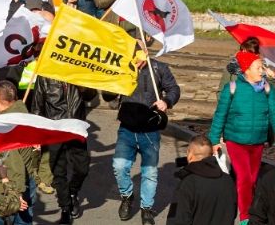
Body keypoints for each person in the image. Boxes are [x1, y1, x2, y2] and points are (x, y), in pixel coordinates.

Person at [113, 48, 181, 225]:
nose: (136, 57)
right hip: (127, 128)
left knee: (150, 172)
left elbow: (173, 89)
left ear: (146, 52)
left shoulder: (158, 68)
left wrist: (166, 101)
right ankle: (127, 196)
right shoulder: (122, 68)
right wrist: (111, 87)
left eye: (139, 52)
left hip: (150, 131)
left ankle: (147, 208)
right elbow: (108, 96)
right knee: (119, 166)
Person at [207, 51, 275, 222]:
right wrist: (214, 140)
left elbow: (273, 114)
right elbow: (220, 115)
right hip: (235, 141)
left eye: (262, 67)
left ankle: (253, 210)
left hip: (258, 142)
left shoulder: (267, 89)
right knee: (245, 178)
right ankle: (245, 217)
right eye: (258, 67)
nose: (262, 71)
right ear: (247, 70)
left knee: (253, 179)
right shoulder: (232, 88)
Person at [31, 72, 97, 223]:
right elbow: (37, 106)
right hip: (55, 129)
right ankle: (65, 207)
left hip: (76, 128)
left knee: (83, 168)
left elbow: (91, 95)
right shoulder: (44, 76)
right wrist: (36, 135)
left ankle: (73, 192)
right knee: (58, 171)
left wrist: (84, 88)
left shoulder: (77, 70)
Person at [0, 81, 37, 225]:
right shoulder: (22, 112)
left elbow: (13, 163)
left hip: (9, 185)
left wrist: (16, 194)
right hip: (28, 179)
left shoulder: (5, 127)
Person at [165, 134, 237, 225]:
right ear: (211, 155)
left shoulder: (188, 184)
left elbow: (177, 220)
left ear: (190, 154)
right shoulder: (228, 181)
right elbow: (232, 213)